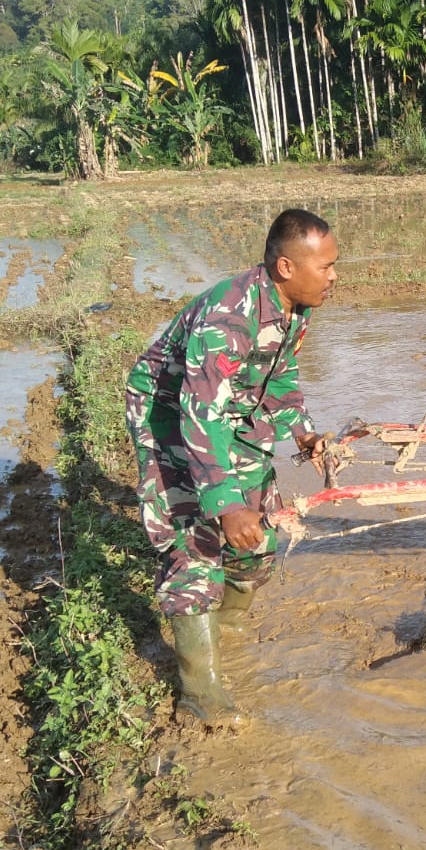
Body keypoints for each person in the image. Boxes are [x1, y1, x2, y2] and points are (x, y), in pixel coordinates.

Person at [125, 208, 337, 723]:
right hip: (172, 414)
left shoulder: (294, 306)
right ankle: (199, 692)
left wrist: (300, 428)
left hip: (227, 408)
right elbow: (200, 412)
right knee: (196, 543)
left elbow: (277, 372)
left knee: (257, 538)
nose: (334, 276)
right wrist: (223, 503)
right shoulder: (228, 318)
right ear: (287, 267)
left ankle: (228, 631)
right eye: (326, 266)